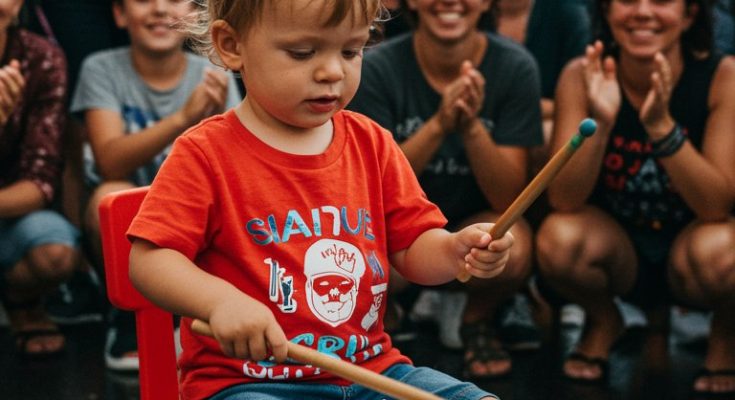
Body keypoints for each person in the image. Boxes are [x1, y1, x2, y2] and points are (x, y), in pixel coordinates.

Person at [126, 0, 515, 399]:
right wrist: (220, 302)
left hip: (369, 372)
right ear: (232, 45)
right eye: (302, 52)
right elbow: (149, 260)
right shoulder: (205, 153)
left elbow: (413, 248)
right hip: (248, 382)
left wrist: (454, 250)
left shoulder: (373, 144)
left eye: (351, 51)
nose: (333, 71)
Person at [535, 0, 735, 394]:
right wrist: (602, 123)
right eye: (627, 0)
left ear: (690, 13)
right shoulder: (582, 74)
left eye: (661, 0)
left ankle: (725, 333)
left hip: (693, 249)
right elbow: (563, 200)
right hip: (619, 251)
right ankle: (604, 319)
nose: (642, 11)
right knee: (559, 238)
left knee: (725, 252)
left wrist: (661, 128)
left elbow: (716, 205)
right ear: (606, 12)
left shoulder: (722, 76)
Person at [348, 0, 542, 380]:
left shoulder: (515, 66)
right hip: (399, 229)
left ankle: (476, 317)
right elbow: (369, 186)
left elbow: (508, 199)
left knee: (514, 243)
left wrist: (470, 128)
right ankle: (387, 313)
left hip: (474, 220)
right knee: (360, 248)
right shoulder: (376, 66)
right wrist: (439, 124)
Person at [69, 0, 241, 371]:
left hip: (191, 210)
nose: (160, 9)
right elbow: (109, 161)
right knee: (108, 195)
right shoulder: (101, 68)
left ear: (195, 13)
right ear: (119, 14)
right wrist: (184, 117)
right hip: (128, 210)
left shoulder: (214, 72)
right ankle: (127, 318)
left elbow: (235, 164)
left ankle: (190, 314)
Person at [0, 0, 82, 358]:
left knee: (55, 252)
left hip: (12, 214)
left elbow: (40, 183)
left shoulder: (41, 57)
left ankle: (20, 298)